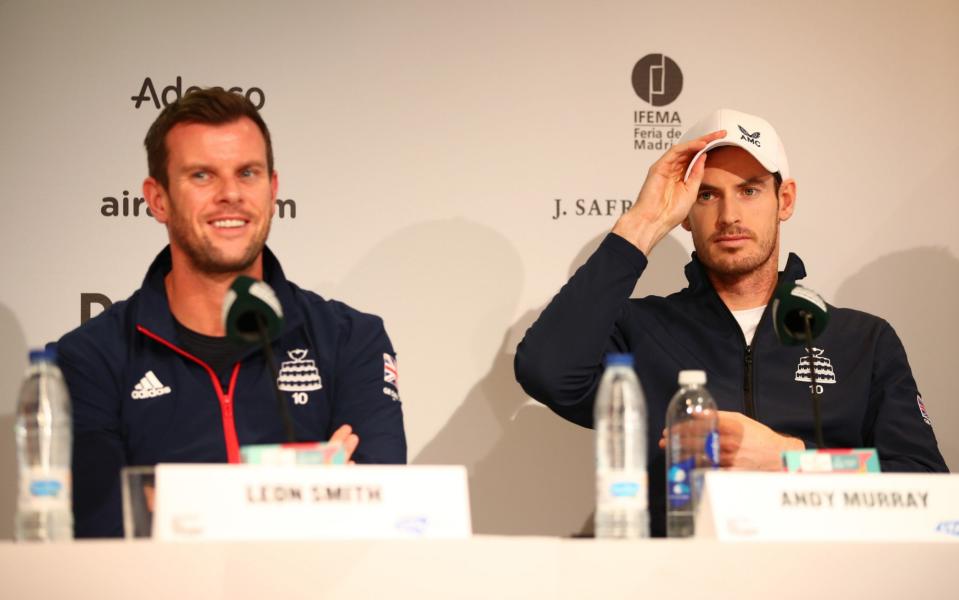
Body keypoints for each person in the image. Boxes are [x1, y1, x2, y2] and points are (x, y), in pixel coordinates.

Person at [514, 108, 948, 537]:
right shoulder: (639, 328)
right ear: (684, 213)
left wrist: (788, 459)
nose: (729, 216)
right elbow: (547, 371)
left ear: (786, 199)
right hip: (675, 581)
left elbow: (923, 484)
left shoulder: (863, 340)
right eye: (707, 194)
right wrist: (643, 222)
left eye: (750, 190)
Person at [57, 88, 406, 537]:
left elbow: (380, 511)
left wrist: (169, 503)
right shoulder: (91, 358)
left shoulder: (351, 339)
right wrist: (307, 490)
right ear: (157, 199)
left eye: (247, 173)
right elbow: (103, 526)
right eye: (202, 175)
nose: (231, 195)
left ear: (273, 188)